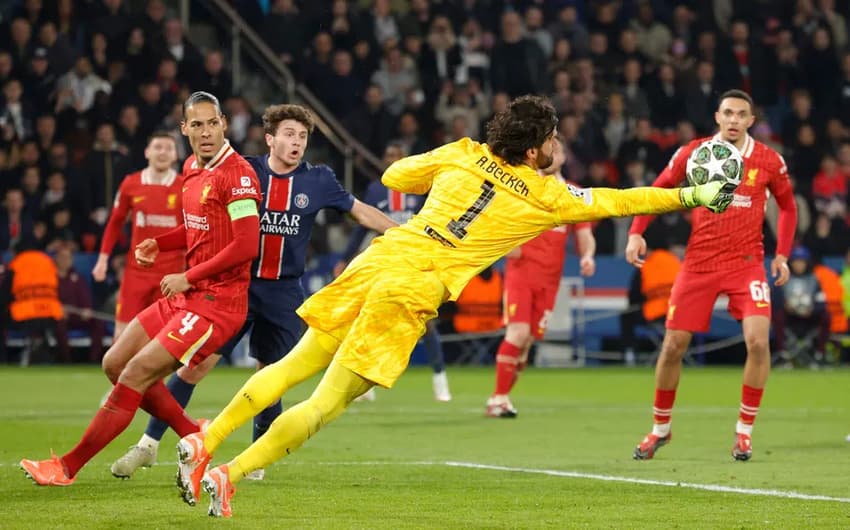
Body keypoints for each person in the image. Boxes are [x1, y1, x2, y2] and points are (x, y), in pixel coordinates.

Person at [173, 95, 737, 518]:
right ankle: (231, 473)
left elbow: (393, 176)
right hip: (414, 287)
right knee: (326, 403)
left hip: (383, 256)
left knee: (292, 364)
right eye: (553, 137)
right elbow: (621, 200)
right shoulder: (546, 197)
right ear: (537, 147)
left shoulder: (464, 154)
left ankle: (206, 439)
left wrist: (441, 167)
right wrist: (691, 194)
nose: (556, 143)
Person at [111, 103, 396, 480]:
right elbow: (202, 225)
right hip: (237, 287)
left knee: (270, 374)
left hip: (284, 293)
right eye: (289, 135)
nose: (297, 143)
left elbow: (361, 212)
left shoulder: (319, 179)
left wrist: (405, 234)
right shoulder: (245, 172)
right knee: (197, 365)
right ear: (270, 139)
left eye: (303, 137)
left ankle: (255, 460)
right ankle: (148, 444)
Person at [19, 91, 262, 487]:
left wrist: (190, 276)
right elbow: (199, 229)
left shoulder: (238, 175)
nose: (205, 132)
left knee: (134, 374)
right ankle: (193, 435)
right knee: (113, 365)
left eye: (212, 123)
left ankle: (66, 467)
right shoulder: (191, 169)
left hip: (216, 303)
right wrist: (161, 243)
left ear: (224, 124)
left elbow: (246, 244)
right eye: (196, 124)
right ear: (184, 128)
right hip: (188, 296)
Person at [626, 90, 798, 462]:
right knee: (673, 346)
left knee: (757, 342)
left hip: (746, 262)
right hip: (699, 263)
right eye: (728, 113)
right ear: (717, 117)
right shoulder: (694, 153)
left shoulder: (769, 160)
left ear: (751, 121)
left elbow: (787, 206)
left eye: (741, 114)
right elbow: (657, 189)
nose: (734, 120)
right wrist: (636, 231)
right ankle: (660, 429)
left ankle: (744, 432)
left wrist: (782, 254)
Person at [488, 134, 596, 418]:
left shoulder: (573, 193)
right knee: (518, 333)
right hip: (521, 273)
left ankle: (501, 397)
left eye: (558, 150)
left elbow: (584, 233)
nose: (553, 153)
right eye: (550, 148)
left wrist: (587, 256)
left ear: (563, 159)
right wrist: (505, 243)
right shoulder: (522, 186)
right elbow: (498, 219)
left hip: (550, 280)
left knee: (526, 344)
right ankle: (499, 398)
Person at [335, 143, 451, 402]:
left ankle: (440, 378)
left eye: (396, 156)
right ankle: (366, 385)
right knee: (371, 318)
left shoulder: (419, 187)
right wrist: (345, 258)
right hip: (385, 259)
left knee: (426, 323)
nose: (391, 160)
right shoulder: (376, 190)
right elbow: (361, 226)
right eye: (388, 156)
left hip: (415, 261)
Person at [92, 132, 184, 339]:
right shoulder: (131, 183)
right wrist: (102, 259)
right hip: (137, 272)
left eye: (168, 148)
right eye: (158, 147)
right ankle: (119, 372)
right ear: (147, 152)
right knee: (121, 335)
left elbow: (193, 230)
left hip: (171, 274)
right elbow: (115, 222)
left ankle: (156, 373)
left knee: (164, 337)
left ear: (176, 155)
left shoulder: (184, 187)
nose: (162, 152)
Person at [772, 246, 829, 366]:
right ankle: (782, 353)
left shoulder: (814, 279)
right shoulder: (783, 277)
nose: (799, 265)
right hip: (790, 316)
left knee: (826, 316)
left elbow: (821, 302)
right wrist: (785, 305)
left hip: (809, 315)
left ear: (807, 263)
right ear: (791, 263)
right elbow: (775, 299)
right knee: (777, 315)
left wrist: (812, 310)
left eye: (802, 262)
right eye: (796, 262)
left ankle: (820, 354)